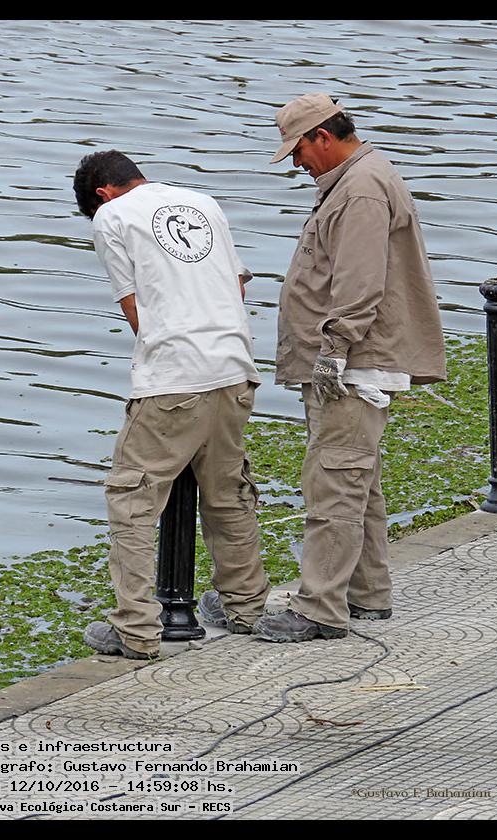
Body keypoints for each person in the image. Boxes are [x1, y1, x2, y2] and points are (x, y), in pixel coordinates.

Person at [252, 94, 446, 643]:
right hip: (359, 360)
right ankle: (367, 594)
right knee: (358, 479)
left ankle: (319, 608)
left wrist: (334, 349)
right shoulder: (359, 177)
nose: (296, 163)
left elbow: (360, 281)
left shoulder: (360, 187)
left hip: (354, 364)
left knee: (334, 481)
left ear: (323, 136)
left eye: (298, 150)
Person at [73, 150, 270, 659]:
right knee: (227, 492)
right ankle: (247, 607)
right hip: (234, 366)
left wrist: (165, 350)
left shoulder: (112, 217)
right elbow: (238, 285)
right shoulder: (201, 201)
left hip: (174, 379)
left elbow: (133, 305)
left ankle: (136, 629)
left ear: (102, 194)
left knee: (132, 500)